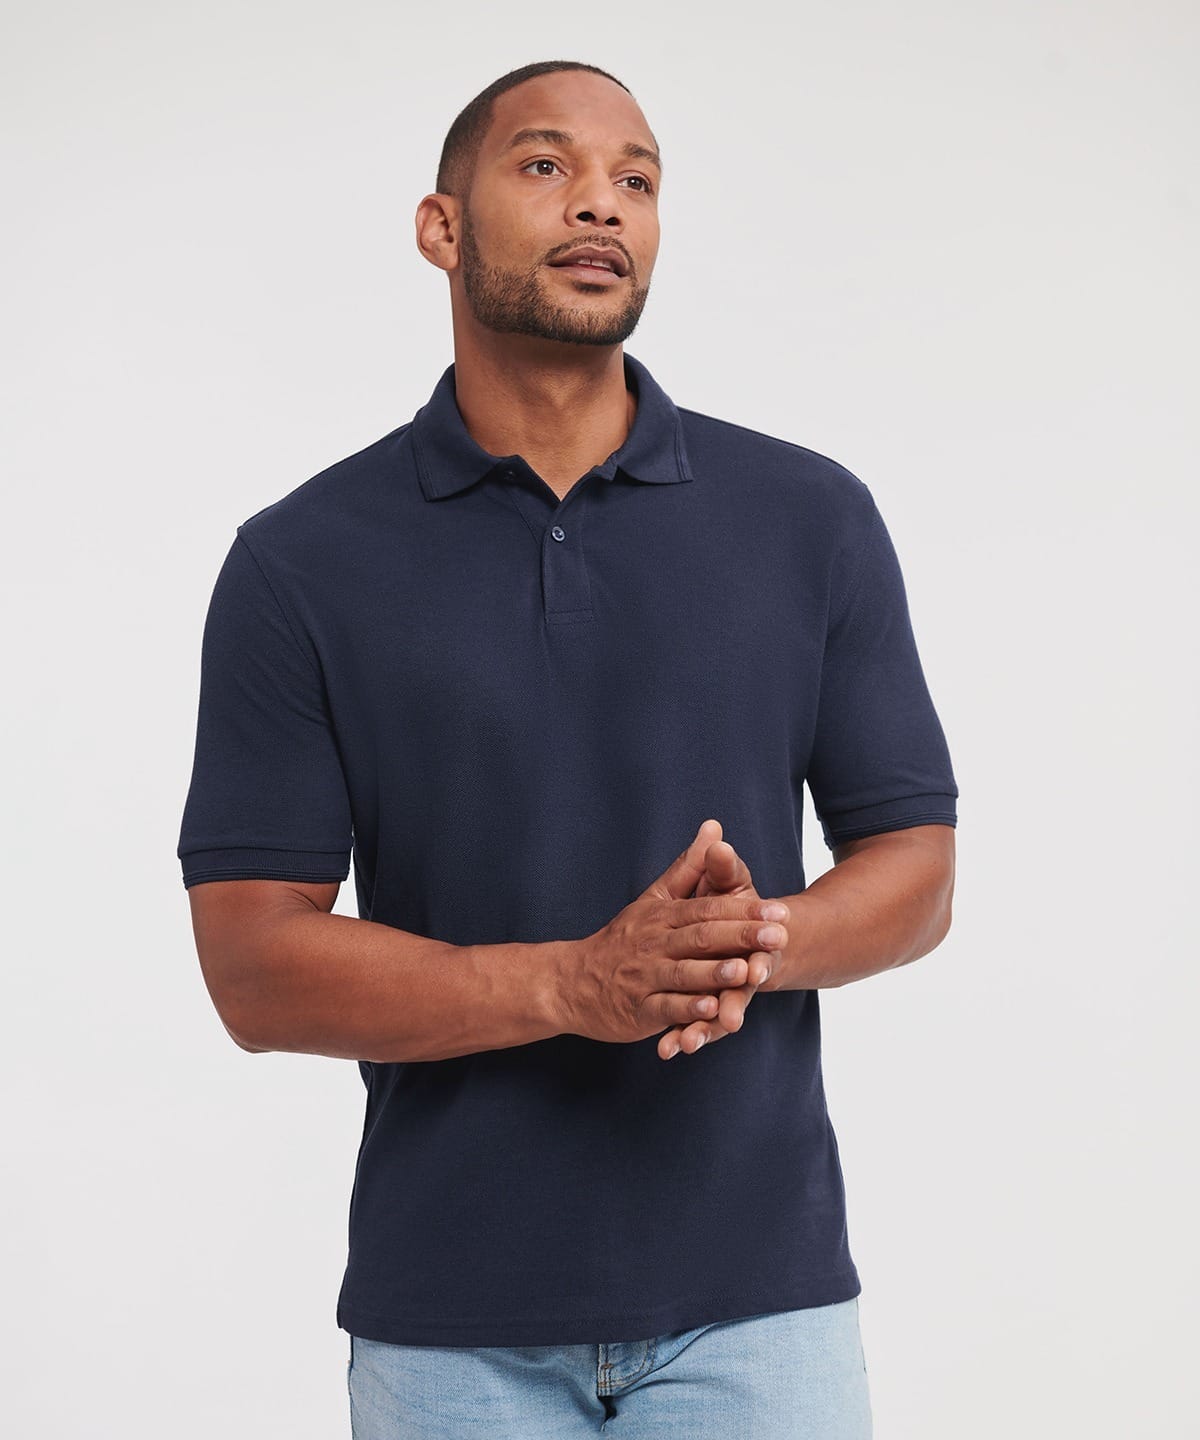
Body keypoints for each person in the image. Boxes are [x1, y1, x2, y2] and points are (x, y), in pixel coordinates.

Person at [177, 58, 957, 1440]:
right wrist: (573, 983)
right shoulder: (301, 562)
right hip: (450, 1330)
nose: (602, 203)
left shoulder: (809, 517)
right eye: (546, 165)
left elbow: (918, 867)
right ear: (442, 226)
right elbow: (252, 965)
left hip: (758, 1311)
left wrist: (743, 946)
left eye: (636, 180)